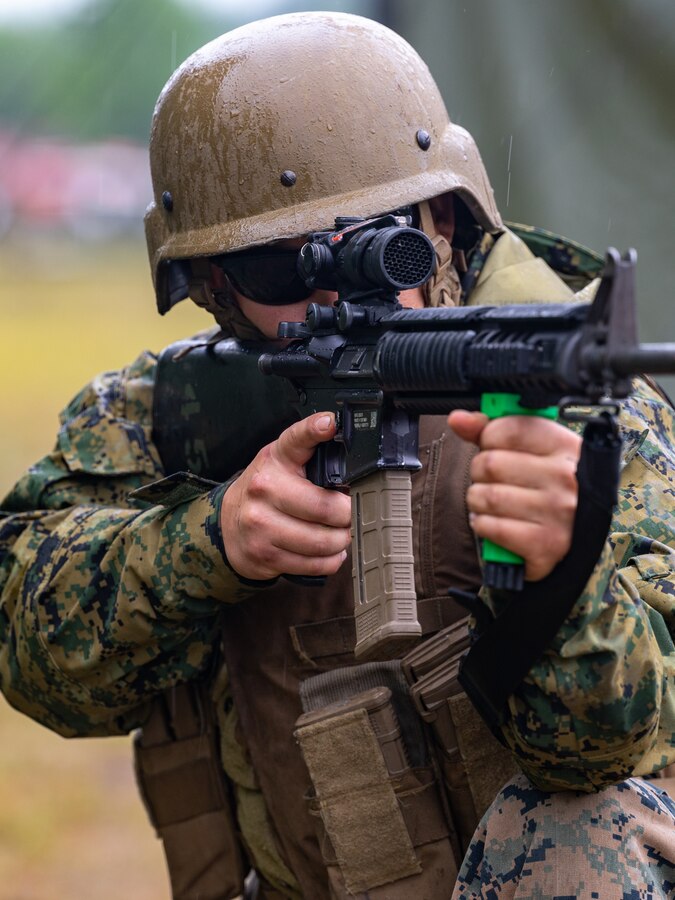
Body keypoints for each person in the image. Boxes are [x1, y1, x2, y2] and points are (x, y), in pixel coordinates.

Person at [1, 11, 674, 899]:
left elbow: (603, 745)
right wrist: (208, 545)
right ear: (209, 284)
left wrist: (559, 579)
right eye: (282, 268)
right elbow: (32, 658)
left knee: (577, 839)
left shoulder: (580, 406)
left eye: (378, 241)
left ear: (441, 216)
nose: (338, 285)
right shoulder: (161, 417)